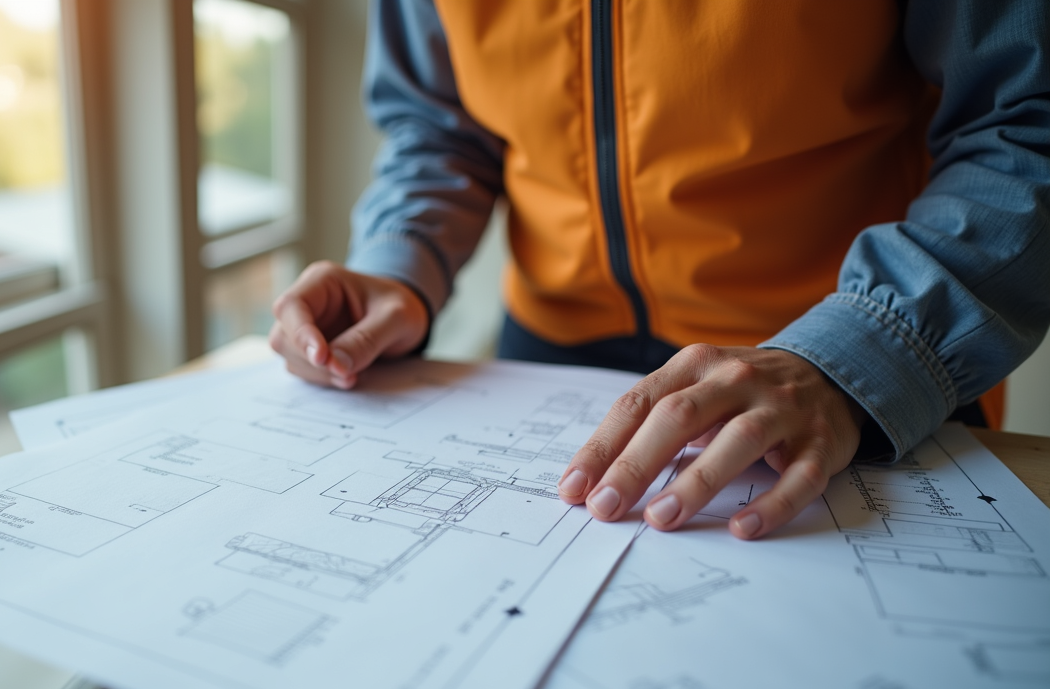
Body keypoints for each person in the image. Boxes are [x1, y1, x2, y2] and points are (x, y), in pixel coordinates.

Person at [269, 0, 1050, 540]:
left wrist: (865, 353)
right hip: (546, 358)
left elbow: (1024, 121)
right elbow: (438, 127)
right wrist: (397, 262)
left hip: (841, 371)